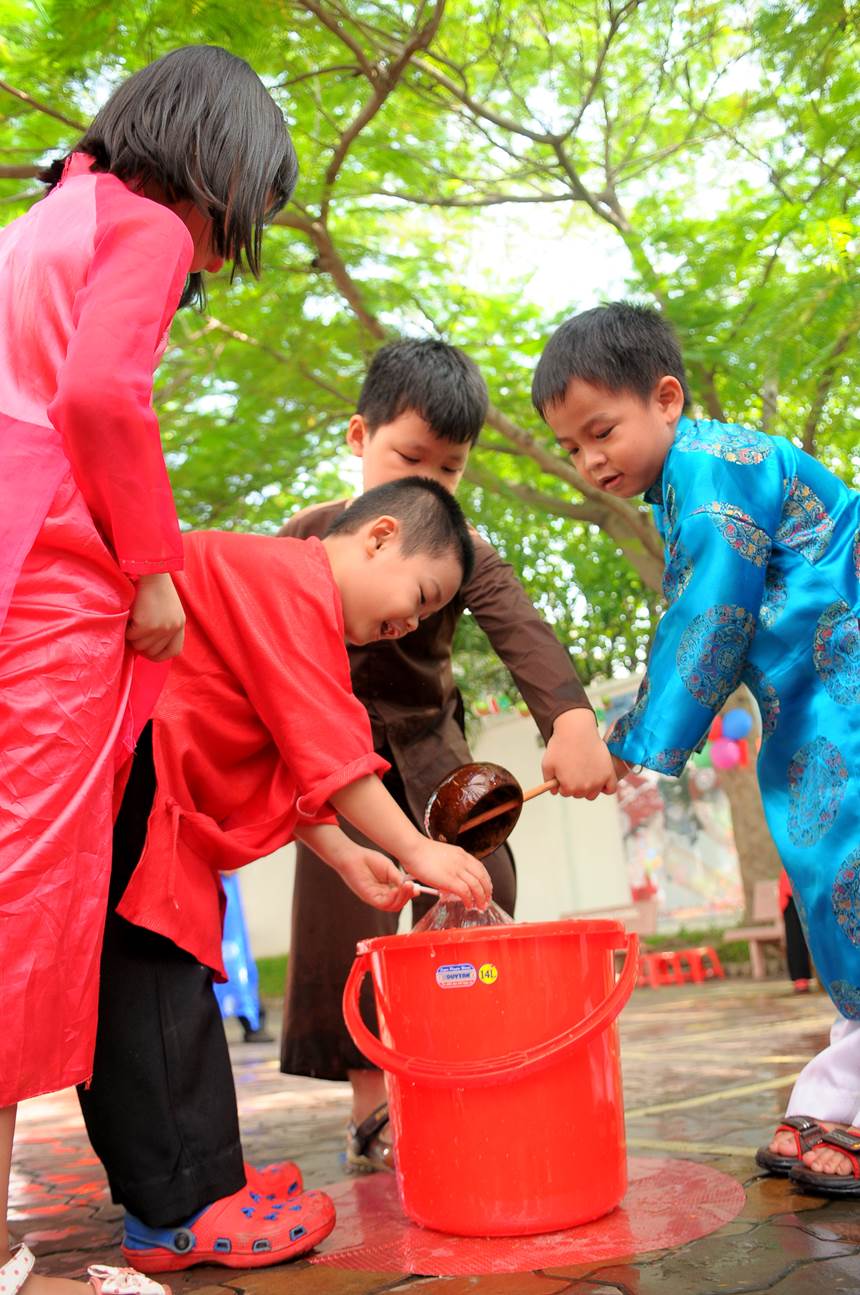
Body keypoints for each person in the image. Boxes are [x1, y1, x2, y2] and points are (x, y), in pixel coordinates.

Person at [0, 45, 296, 1295]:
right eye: (244, 216)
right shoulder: (147, 225)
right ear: (216, 170)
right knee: (27, 896)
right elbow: (104, 396)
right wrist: (155, 567)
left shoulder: (53, 207)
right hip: (48, 567)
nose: (226, 251)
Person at [76, 477, 493, 1273]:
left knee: (169, 983)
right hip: (137, 784)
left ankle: (206, 1177)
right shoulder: (290, 585)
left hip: (156, 795)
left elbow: (284, 753)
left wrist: (343, 850)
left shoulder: (277, 594)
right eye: (422, 592)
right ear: (377, 536)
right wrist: (417, 849)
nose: (411, 620)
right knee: (153, 988)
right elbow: (328, 750)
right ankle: (179, 1210)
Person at [531, 299, 860, 1197]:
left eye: (601, 431)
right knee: (833, 878)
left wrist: (630, 742)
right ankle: (835, 1091)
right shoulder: (699, 476)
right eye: (570, 447)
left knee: (846, 868)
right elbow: (697, 626)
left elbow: (708, 622)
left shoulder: (711, 474)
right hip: (821, 687)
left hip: (847, 682)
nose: (591, 460)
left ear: (666, 398)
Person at [279, 338, 617, 1171]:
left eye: (451, 469)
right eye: (409, 457)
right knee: (343, 921)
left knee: (485, 884)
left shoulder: (465, 550)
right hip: (334, 753)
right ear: (360, 438)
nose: (430, 484)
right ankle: (372, 1107)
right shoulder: (303, 539)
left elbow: (521, 630)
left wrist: (569, 719)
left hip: (433, 750)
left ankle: (476, 1065)